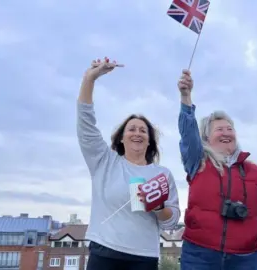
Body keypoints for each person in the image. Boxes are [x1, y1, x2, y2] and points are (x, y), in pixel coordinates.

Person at [77, 57, 181, 270]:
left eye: (143, 130)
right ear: (121, 138)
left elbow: (170, 221)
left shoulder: (162, 174)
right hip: (104, 251)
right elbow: (86, 125)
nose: (137, 133)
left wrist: (159, 207)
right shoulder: (104, 162)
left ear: (150, 140)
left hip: (143, 257)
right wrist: (90, 79)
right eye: (131, 129)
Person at [177, 69, 257, 269]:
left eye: (230, 129)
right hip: (200, 255)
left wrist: (255, 228)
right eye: (219, 130)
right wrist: (186, 98)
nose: (226, 133)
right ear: (206, 138)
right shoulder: (197, 161)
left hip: (244, 258)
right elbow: (188, 135)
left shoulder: (254, 171)